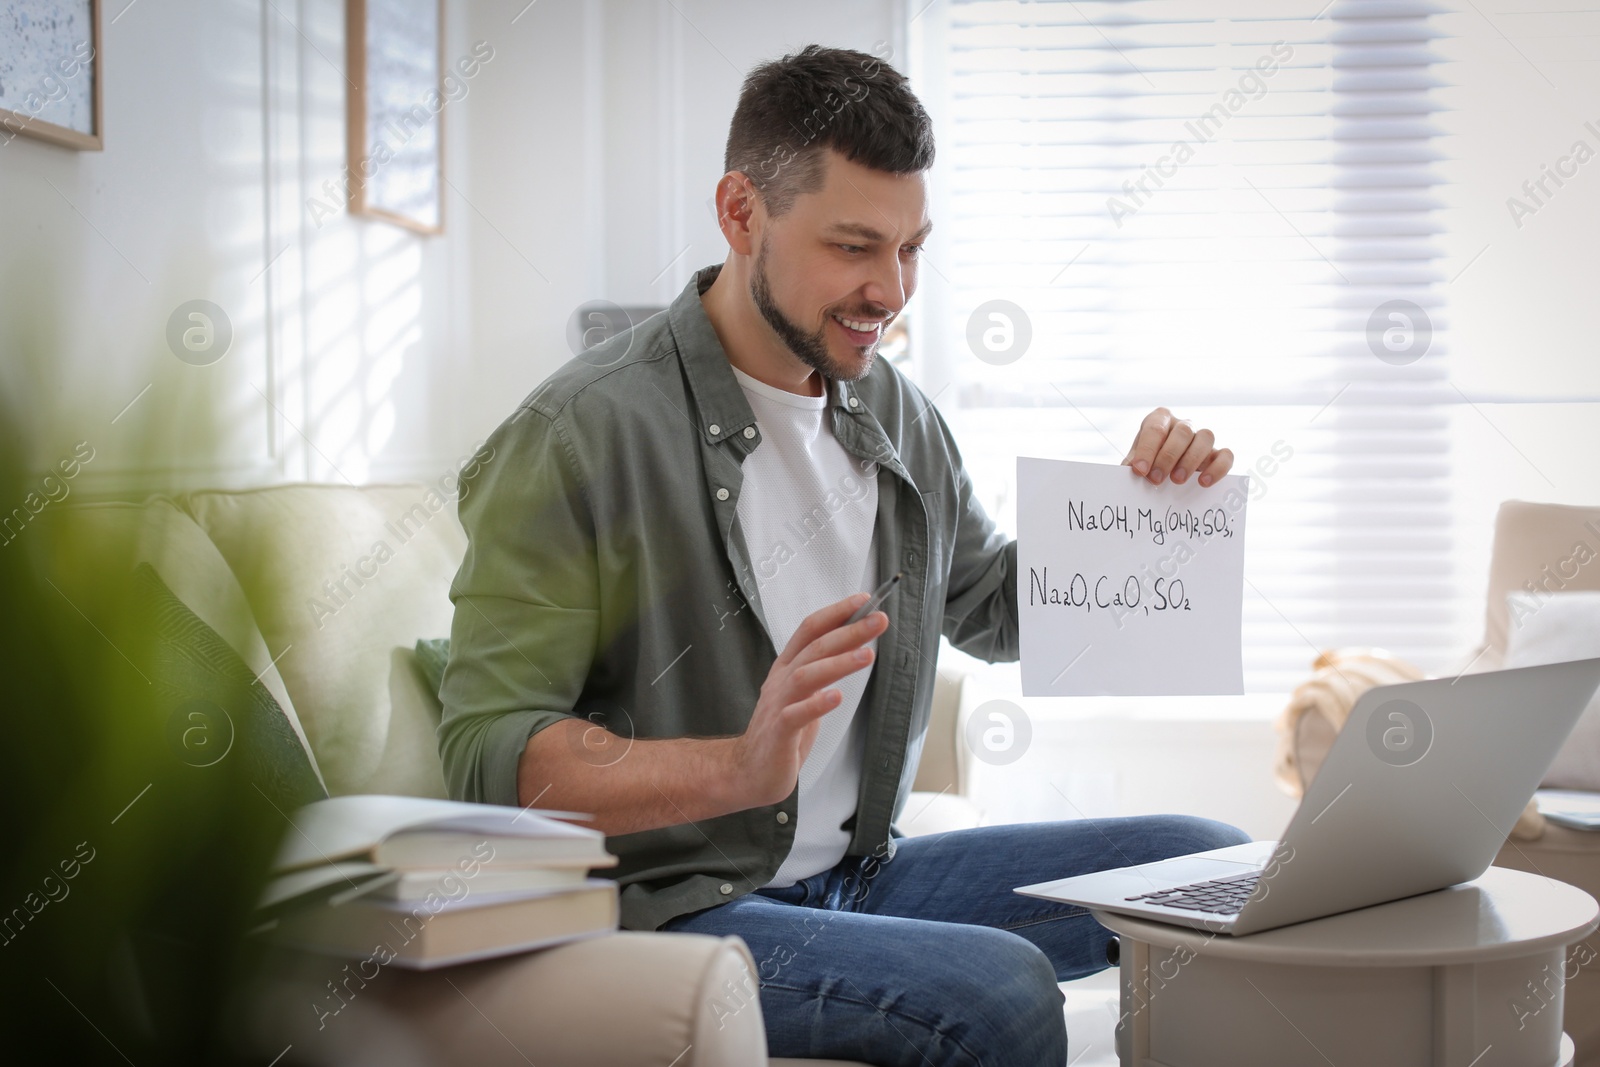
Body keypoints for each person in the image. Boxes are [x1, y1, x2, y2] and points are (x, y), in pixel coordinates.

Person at [438, 44, 1247, 1066]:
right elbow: (486, 754)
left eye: (912, 247)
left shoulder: (891, 407)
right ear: (740, 213)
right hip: (673, 902)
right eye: (855, 246)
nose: (890, 289)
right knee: (997, 992)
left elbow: (989, 605)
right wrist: (737, 764)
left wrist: (1149, 516)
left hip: (860, 872)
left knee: (1213, 864)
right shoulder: (578, 434)